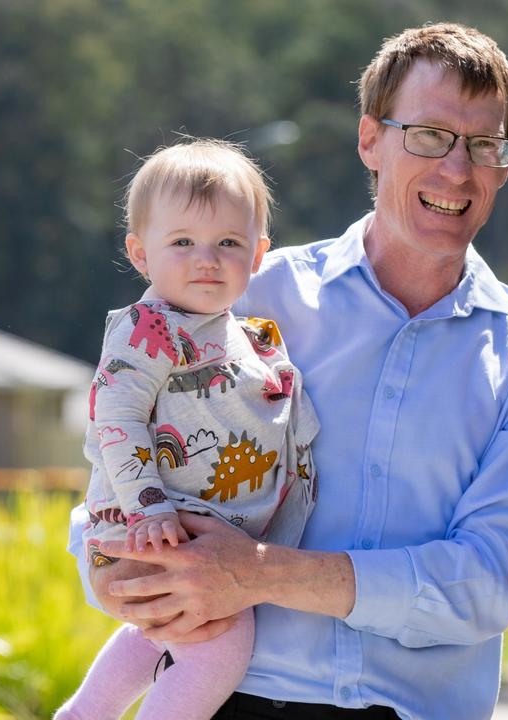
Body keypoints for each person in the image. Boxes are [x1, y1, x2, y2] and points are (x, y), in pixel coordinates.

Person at [66, 23, 508, 720]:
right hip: (228, 698)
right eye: (429, 135)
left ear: (504, 163)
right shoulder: (240, 289)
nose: (457, 169)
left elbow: (483, 585)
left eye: (484, 145)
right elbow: (115, 451)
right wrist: (113, 574)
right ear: (370, 139)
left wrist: (257, 573)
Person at [57, 139, 319, 720]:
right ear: (140, 253)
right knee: (219, 648)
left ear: (257, 255)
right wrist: (147, 510)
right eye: (183, 242)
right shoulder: (149, 329)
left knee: (164, 634)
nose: (207, 259)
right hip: (150, 525)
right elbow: (115, 419)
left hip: (192, 533)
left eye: (228, 242)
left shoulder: (250, 339)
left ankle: (83, 715)